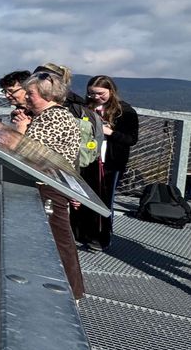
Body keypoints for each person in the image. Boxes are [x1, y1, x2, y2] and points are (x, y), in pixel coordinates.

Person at [12, 71, 84, 299]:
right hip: (49, 182)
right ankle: (65, 289)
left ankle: (71, 293)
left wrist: (21, 130)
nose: (26, 97)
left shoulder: (54, 118)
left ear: (46, 94)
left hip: (50, 184)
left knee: (59, 237)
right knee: (57, 237)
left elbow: (28, 152)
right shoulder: (49, 116)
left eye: (31, 93)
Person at [75, 76, 139, 250]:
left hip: (110, 163)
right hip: (87, 160)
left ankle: (101, 238)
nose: (95, 97)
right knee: (82, 197)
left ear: (111, 91)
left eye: (100, 94)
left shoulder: (125, 111)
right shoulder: (84, 108)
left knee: (103, 201)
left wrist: (110, 132)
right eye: (91, 93)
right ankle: (82, 233)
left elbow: (131, 139)